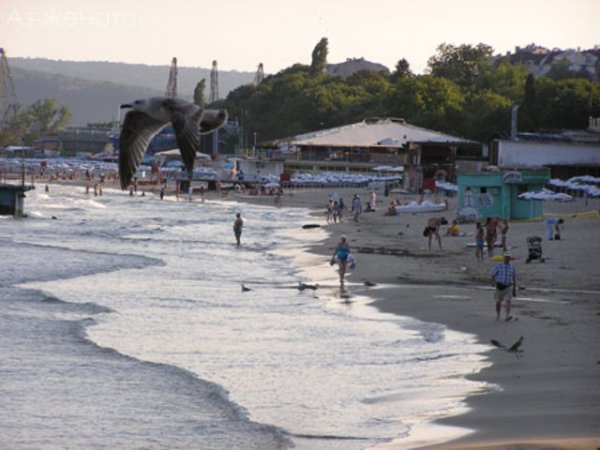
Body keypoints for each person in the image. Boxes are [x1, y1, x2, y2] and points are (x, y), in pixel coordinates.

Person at [490, 251, 517, 321]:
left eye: (508, 257)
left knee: (508, 300)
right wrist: (493, 282)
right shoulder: (499, 265)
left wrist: (514, 288)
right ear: (503, 258)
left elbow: (513, 277)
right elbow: (492, 273)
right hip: (500, 286)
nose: (507, 259)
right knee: (498, 301)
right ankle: (498, 314)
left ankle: (507, 315)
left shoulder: (512, 266)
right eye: (506, 257)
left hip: (508, 286)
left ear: (510, 258)